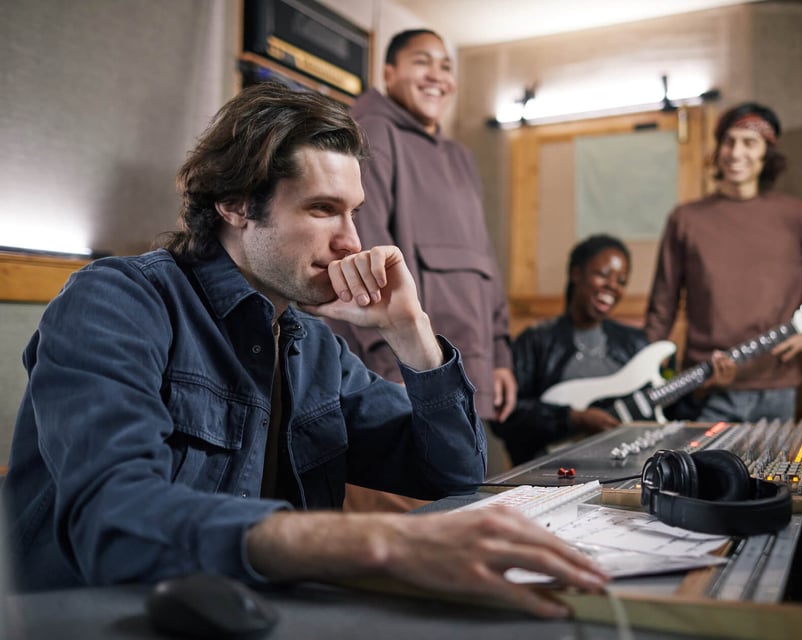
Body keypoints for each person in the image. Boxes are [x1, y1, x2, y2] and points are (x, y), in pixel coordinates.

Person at [0, 82, 608, 617]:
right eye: (322, 210)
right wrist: (374, 544)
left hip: (258, 614)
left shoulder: (313, 344)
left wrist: (410, 333)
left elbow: (451, 471)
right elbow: (113, 518)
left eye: (354, 213)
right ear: (235, 203)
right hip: (101, 621)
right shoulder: (116, 301)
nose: (351, 242)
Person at [323, 29, 517, 486]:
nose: (437, 76)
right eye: (421, 62)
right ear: (387, 73)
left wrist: (500, 357)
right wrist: (395, 365)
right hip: (406, 367)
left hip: (462, 361)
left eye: (446, 66)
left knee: (482, 488)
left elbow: (484, 260)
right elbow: (365, 257)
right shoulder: (371, 132)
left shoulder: (460, 156)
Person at [644, 102, 802, 424]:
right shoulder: (686, 219)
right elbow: (661, 306)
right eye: (728, 141)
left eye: (750, 143)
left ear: (767, 155)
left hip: (776, 390)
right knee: (704, 475)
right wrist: (647, 373)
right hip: (705, 387)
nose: (736, 153)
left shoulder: (794, 215)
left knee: (771, 476)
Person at [493, 235, 735, 465]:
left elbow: (666, 414)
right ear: (576, 273)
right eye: (603, 274)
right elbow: (506, 417)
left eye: (621, 281)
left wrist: (701, 392)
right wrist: (572, 419)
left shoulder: (636, 343)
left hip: (626, 468)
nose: (612, 286)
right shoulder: (535, 341)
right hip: (552, 471)